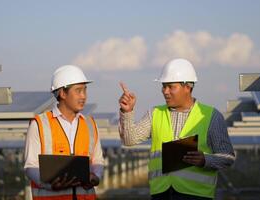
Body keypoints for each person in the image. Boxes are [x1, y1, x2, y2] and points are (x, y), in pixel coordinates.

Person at [118, 58, 235, 200]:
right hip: (162, 193)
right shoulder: (155, 113)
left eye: (170, 86)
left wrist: (205, 160)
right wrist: (127, 112)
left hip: (196, 195)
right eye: (163, 86)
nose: (165, 91)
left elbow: (227, 157)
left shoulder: (211, 116)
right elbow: (129, 140)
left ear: (188, 87)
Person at [24, 65, 104, 200]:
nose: (83, 96)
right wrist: (49, 184)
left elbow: (98, 160)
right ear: (62, 93)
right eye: (78, 91)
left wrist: (96, 177)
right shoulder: (39, 124)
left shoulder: (90, 124)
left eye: (85, 90)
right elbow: (30, 166)